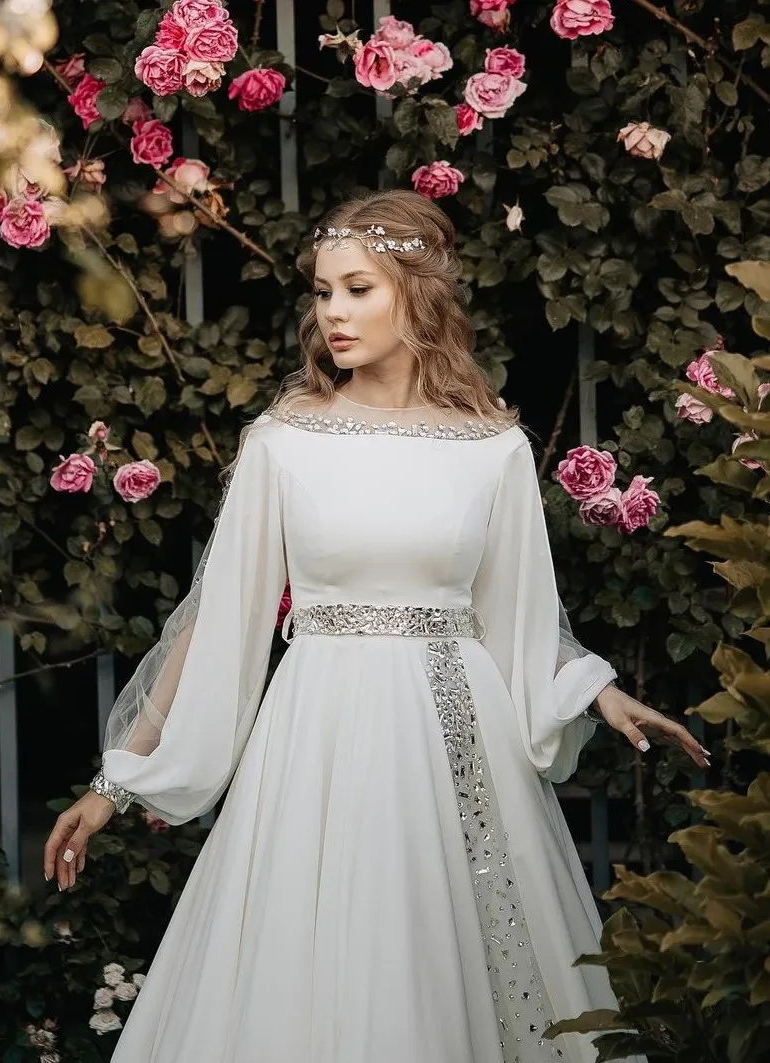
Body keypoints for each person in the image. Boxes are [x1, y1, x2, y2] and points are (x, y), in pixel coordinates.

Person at [44, 189, 709, 1062]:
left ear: (417, 291)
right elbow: (219, 620)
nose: (334, 313)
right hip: (317, 746)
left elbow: (522, 619)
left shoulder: (494, 447)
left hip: (457, 750)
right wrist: (116, 781)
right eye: (323, 292)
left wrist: (598, 691)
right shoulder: (284, 439)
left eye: (358, 288)